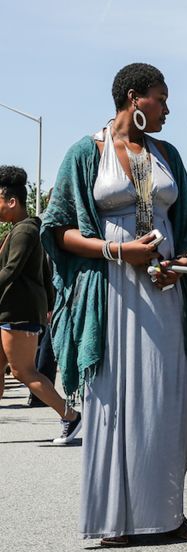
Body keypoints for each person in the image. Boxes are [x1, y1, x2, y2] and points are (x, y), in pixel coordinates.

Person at [41, 63, 187, 545]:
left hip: (163, 295)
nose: (168, 109)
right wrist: (119, 250)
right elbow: (59, 230)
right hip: (111, 295)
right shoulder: (87, 151)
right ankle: (114, 521)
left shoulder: (166, 155)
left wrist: (177, 260)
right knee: (114, 403)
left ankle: (166, 517)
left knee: (167, 401)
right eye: (161, 99)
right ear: (134, 99)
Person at [0, 166, 81, 441]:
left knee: (25, 371)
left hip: (18, 312)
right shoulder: (23, 230)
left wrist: (45, 304)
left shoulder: (24, 231)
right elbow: (44, 274)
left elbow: (12, 271)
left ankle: (71, 416)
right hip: (13, 310)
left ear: (12, 201)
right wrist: (48, 300)